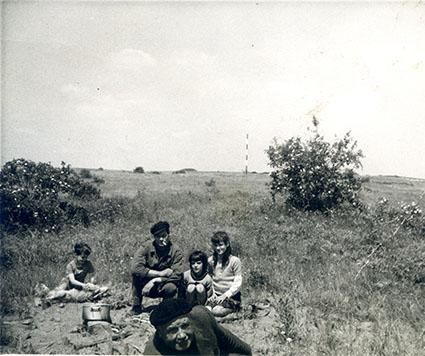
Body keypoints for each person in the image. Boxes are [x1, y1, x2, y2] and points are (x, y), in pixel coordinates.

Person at [144, 298, 252, 355]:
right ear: (160, 333)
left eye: (185, 326)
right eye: (172, 330)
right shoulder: (153, 352)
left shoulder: (201, 317)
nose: (182, 335)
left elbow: (234, 344)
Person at [130, 221, 184, 315]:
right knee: (136, 277)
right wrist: (160, 273)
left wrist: (157, 279)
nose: (161, 239)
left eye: (164, 235)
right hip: (145, 286)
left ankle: (166, 307)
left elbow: (178, 274)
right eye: (157, 237)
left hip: (162, 284)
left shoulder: (176, 251)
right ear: (154, 237)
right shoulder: (146, 247)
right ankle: (136, 306)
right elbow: (135, 268)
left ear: (169, 234)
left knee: (172, 287)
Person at [207, 231, 243, 317]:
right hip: (216, 295)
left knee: (216, 311)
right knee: (206, 310)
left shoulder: (234, 261)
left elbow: (238, 282)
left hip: (230, 296)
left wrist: (226, 295)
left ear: (227, 244)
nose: (218, 248)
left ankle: (235, 310)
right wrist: (212, 293)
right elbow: (210, 279)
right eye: (216, 246)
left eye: (221, 245)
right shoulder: (210, 261)